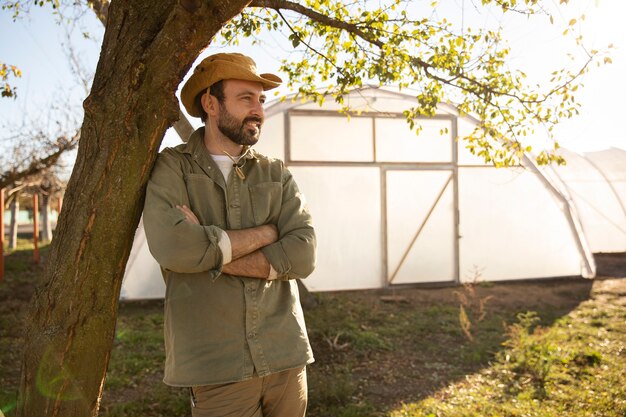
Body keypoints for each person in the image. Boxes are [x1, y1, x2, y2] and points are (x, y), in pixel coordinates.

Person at [142, 52, 316, 417]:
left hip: (286, 356)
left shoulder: (275, 172)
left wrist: (211, 254)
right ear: (211, 104)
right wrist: (269, 234)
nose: (259, 110)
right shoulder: (172, 168)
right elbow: (174, 247)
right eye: (245, 98)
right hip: (216, 367)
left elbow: (302, 255)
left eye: (261, 100)